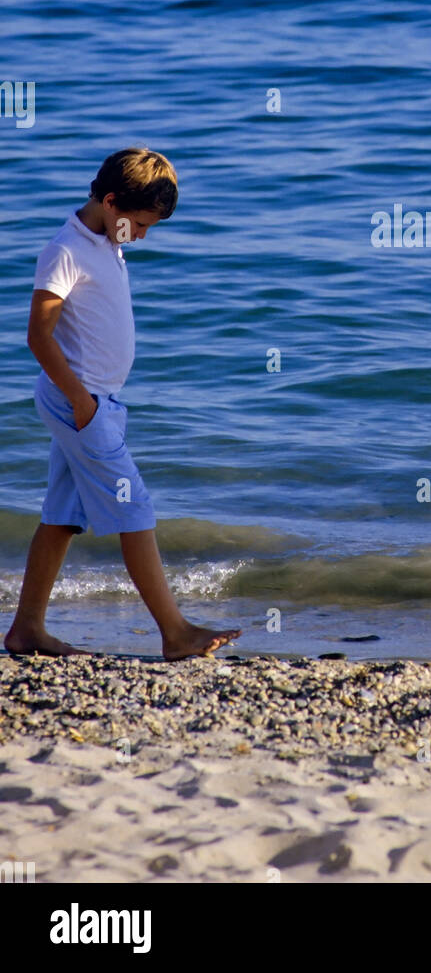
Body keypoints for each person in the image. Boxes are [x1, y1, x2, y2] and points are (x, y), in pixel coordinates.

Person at [3, 147, 242, 661]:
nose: (144, 235)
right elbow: (38, 338)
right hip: (81, 402)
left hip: (98, 401)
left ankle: (26, 630)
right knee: (134, 507)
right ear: (111, 203)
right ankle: (175, 632)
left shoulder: (109, 238)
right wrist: (81, 402)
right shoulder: (66, 249)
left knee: (62, 516)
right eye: (141, 224)